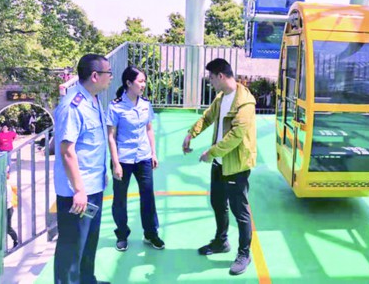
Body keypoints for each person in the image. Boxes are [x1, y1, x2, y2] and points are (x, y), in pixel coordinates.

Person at [182, 58, 257, 276]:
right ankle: (221, 242)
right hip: (219, 164)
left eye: (211, 78)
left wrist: (211, 152)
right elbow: (207, 117)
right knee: (217, 203)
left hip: (236, 165)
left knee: (240, 211)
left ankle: (244, 254)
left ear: (221, 76)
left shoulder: (245, 103)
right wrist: (191, 134)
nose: (210, 82)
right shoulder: (222, 97)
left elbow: (236, 136)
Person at [53, 54, 112, 284]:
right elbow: (67, 151)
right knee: (71, 248)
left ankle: (88, 280)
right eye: (108, 73)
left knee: (88, 241)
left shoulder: (93, 100)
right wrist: (79, 190)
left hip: (93, 187)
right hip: (77, 194)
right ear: (95, 76)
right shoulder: (72, 106)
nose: (111, 77)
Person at [106, 66, 164, 252]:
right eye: (140, 81)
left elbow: (149, 129)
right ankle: (122, 234)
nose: (143, 85)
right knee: (120, 198)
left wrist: (153, 153)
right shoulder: (115, 106)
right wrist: (115, 163)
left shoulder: (145, 104)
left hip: (143, 156)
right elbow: (111, 137)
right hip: (123, 158)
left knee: (148, 196)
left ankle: (151, 234)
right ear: (129, 83)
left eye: (144, 81)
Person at [6, 168, 19, 250]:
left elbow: (7, 199)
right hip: (7, 208)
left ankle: (16, 241)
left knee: (7, 228)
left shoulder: (6, 186)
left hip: (8, 209)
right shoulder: (5, 185)